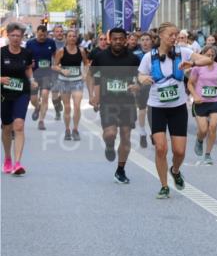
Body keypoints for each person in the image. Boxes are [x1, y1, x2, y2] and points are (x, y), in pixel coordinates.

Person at [137, 22, 210, 198]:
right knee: (161, 148)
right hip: (156, 107)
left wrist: (192, 62)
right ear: (161, 35)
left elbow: (208, 60)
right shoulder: (149, 57)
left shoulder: (182, 52)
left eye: (176, 34)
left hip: (178, 107)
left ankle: (175, 170)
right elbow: (140, 75)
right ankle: (164, 186)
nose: (174, 37)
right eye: (171, 34)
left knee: (179, 151)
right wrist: (143, 78)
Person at [90, 27, 142, 184]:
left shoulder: (133, 59)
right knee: (110, 134)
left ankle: (120, 170)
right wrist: (93, 96)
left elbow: (141, 78)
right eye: (115, 39)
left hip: (127, 103)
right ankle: (109, 145)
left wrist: (138, 86)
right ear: (110, 40)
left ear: (125, 40)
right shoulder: (100, 57)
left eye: (121, 39)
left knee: (126, 136)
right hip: (108, 102)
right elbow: (91, 76)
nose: (118, 41)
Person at [1, 22, 36, 175]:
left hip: (22, 92)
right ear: (8, 36)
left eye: (18, 36)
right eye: (13, 35)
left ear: (22, 37)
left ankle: (17, 163)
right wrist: (1, 79)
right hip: (4, 94)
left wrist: (32, 80)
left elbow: (28, 68)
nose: (15, 38)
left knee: (19, 125)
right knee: (7, 127)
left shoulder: (27, 53)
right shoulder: (1, 53)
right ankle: (7, 158)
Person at [188, 44, 217, 165]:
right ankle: (199, 140)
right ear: (203, 54)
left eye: (212, 55)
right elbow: (190, 84)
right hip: (200, 102)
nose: (210, 57)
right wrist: (195, 96)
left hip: (214, 102)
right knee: (203, 130)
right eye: (208, 55)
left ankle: (208, 154)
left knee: (212, 128)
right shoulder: (197, 68)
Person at [52, 29, 89, 141]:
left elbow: (86, 63)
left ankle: (75, 129)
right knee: (67, 107)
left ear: (76, 38)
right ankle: (67, 129)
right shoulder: (61, 51)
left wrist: (85, 74)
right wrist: (62, 70)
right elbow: (54, 66)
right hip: (64, 81)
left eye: (74, 36)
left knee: (77, 106)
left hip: (77, 81)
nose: (72, 38)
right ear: (66, 38)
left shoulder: (81, 51)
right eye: (70, 36)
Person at [25, 24, 57, 130]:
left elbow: (55, 55)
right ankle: (37, 107)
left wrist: (56, 65)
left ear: (47, 34)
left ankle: (41, 121)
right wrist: (30, 62)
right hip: (34, 74)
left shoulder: (51, 42)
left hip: (47, 74)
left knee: (45, 95)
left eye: (44, 35)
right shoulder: (30, 43)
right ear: (36, 33)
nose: (42, 37)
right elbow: (26, 57)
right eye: (40, 35)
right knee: (33, 99)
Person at [133, 33, 154, 148]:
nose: (145, 42)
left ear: (151, 41)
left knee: (153, 110)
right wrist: (135, 84)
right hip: (141, 85)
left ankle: (154, 133)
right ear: (139, 42)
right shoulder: (136, 55)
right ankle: (142, 133)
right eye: (143, 40)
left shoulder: (156, 53)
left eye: (147, 39)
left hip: (155, 85)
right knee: (142, 109)